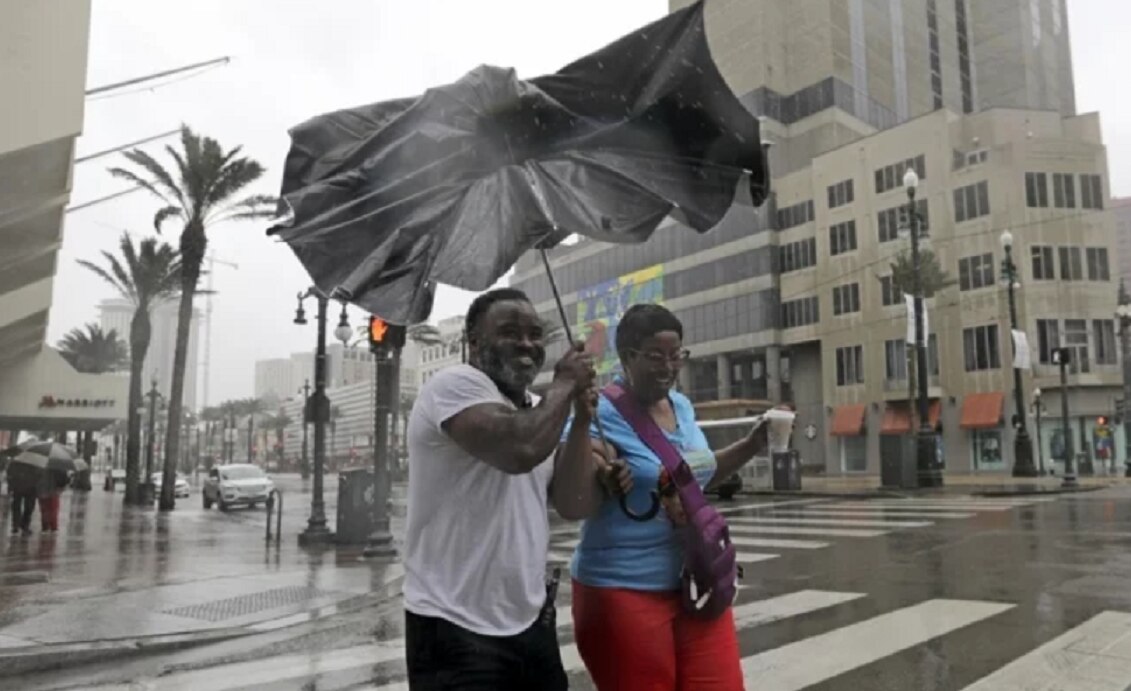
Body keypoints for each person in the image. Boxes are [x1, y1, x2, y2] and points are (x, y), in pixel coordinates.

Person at [556, 303, 771, 691]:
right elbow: (576, 489)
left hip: (696, 579)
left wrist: (752, 445)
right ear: (626, 357)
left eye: (676, 356)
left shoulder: (682, 407)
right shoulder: (597, 411)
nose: (668, 367)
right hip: (622, 591)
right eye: (656, 357)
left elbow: (693, 478)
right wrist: (603, 470)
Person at [402, 287, 601, 691]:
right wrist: (563, 384)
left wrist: (580, 420)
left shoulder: (535, 409)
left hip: (529, 621)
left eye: (535, 333)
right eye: (510, 332)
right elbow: (519, 449)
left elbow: (572, 504)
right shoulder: (453, 385)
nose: (527, 343)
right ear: (473, 343)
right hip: (453, 625)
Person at [6, 463, 39, 536]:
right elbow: (10, 473)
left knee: (23, 507)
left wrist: (11, 485)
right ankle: (21, 525)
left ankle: (19, 525)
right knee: (24, 507)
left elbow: (9, 473)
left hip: (25, 487)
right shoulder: (36, 462)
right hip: (26, 487)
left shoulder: (17, 461)